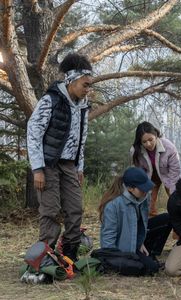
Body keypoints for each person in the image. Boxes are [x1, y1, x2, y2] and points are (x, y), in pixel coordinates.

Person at [27, 53, 93, 261]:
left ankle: (69, 255)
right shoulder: (50, 100)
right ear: (71, 81)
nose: (88, 89)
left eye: (89, 85)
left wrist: (79, 167)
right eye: (85, 84)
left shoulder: (82, 106)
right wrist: (37, 168)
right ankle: (44, 258)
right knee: (51, 210)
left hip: (69, 166)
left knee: (75, 208)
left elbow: (80, 139)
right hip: (48, 164)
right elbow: (33, 132)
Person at [98, 167, 171, 276]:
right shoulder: (113, 205)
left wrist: (140, 242)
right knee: (152, 269)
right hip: (124, 249)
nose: (146, 191)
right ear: (130, 188)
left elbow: (142, 223)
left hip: (137, 239)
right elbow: (108, 236)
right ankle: (144, 260)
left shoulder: (143, 197)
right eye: (142, 188)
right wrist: (114, 260)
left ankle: (151, 254)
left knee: (167, 218)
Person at [131, 121, 181, 217]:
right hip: (149, 177)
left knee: (177, 203)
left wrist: (174, 192)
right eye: (144, 142)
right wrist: (142, 189)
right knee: (148, 205)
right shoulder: (135, 151)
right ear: (139, 141)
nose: (148, 144)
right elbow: (139, 173)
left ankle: (177, 229)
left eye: (151, 139)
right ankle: (152, 227)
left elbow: (175, 173)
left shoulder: (169, 147)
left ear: (156, 135)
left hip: (167, 175)